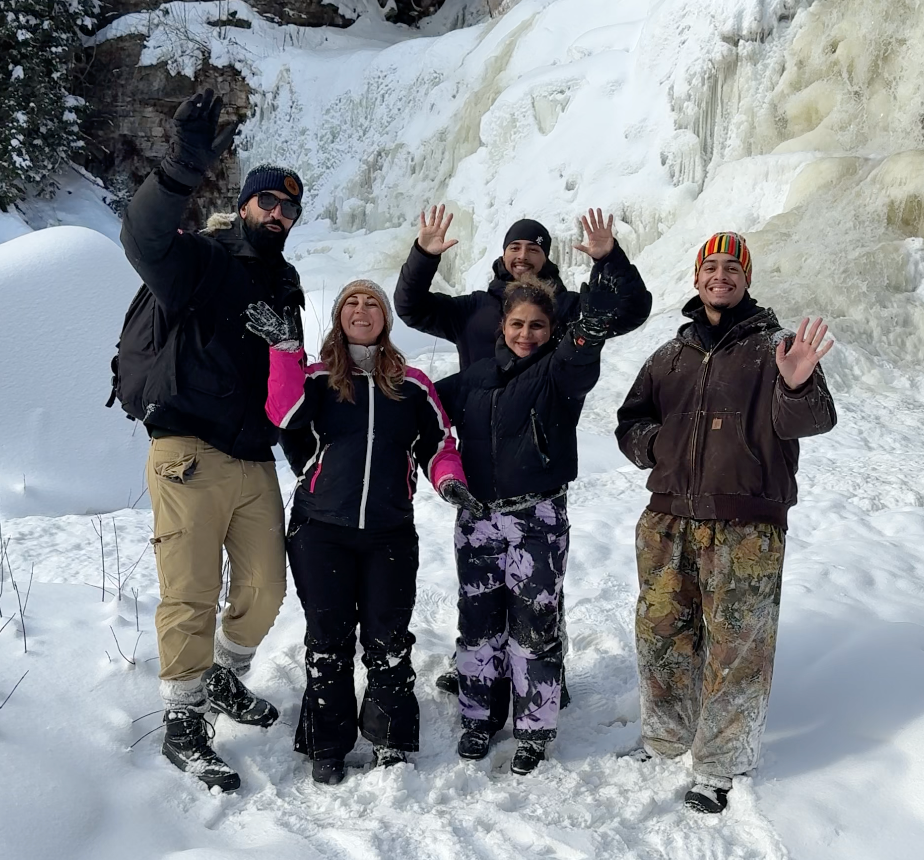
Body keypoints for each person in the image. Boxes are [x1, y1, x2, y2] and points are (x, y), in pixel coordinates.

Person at [119, 89, 306, 793]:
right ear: (248, 205)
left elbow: (288, 388)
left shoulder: (285, 286)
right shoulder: (195, 260)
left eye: (289, 209)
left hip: (253, 455)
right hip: (188, 450)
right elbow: (141, 238)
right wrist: (182, 166)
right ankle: (183, 721)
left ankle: (223, 676)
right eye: (268, 203)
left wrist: (289, 346)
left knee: (265, 588)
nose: (278, 215)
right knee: (189, 591)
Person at [615, 232, 837, 813]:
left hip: (746, 526)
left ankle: (721, 763)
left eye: (732, 268)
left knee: (737, 648)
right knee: (662, 635)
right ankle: (666, 740)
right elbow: (630, 422)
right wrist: (655, 445)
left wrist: (797, 384)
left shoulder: (775, 347)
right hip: (667, 520)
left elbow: (813, 421)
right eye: (710, 266)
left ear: (746, 279)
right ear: (695, 279)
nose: (721, 275)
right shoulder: (669, 355)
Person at [395, 205, 653, 700]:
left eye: (534, 246)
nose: (523, 254)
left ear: (546, 257)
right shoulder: (474, 309)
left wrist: (610, 258)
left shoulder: (569, 310)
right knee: (481, 587)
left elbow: (632, 309)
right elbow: (411, 307)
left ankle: (542, 664)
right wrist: (423, 255)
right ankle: (479, 664)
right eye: (515, 246)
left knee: (539, 582)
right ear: (502, 255)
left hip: (540, 456)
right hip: (480, 458)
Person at [245, 280, 480, 786]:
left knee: (388, 639)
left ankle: (391, 739)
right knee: (328, 641)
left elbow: (439, 444)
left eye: (371, 301)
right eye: (351, 301)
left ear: (385, 320)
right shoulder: (315, 378)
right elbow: (281, 414)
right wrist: (285, 353)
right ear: (338, 317)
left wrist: (449, 481)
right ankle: (327, 744)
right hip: (320, 530)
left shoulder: (413, 384)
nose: (361, 308)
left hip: (389, 533)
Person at [434, 261, 628, 774]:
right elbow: (421, 407)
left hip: (537, 520)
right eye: (517, 324)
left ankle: (534, 730)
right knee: (477, 626)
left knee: (533, 628)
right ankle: (478, 718)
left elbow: (580, 360)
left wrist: (590, 329)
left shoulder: (557, 372)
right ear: (502, 326)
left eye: (537, 326)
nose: (526, 334)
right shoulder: (474, 378)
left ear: (551, 331)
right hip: (477, 521)